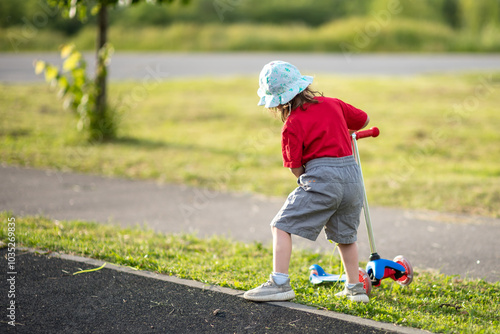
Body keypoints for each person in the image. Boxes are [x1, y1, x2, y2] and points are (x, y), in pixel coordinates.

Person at [243, 60, 370, 303]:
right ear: (301, 85)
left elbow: (296, 167)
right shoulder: (334, 104)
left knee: (281, 225)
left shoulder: (292, 124)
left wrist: (310, 178)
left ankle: (279, 283)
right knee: (346, 236)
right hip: (353, 179)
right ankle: (355, 289)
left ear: (278, 102)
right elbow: (363, 120)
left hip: (322, 179)